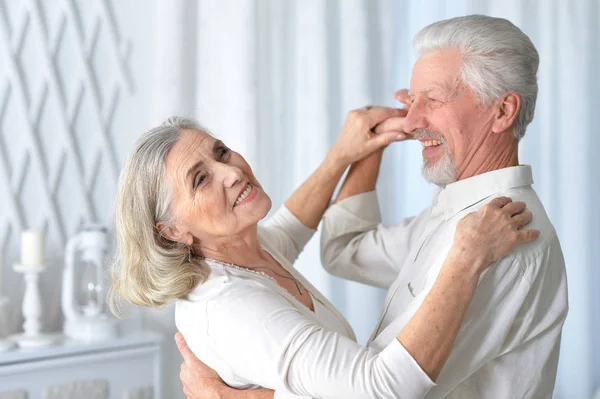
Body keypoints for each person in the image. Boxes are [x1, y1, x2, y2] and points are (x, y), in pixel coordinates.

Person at [175, 14, 568, 399]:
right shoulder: (461, 217)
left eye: (432, 99)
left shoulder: (500, 241)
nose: (412, 122)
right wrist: (366, 149)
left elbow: (379, 389)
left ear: (502, 111)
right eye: (411, 100)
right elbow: (345, 251)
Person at [110, 107, 537, 399]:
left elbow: (290, 227)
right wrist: (466, 257)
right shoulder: (230, 306)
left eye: (221, 151)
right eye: (200, 179)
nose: (232, 170)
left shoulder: (241, 252)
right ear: (172, 231)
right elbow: (380, 389)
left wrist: (345, 154)